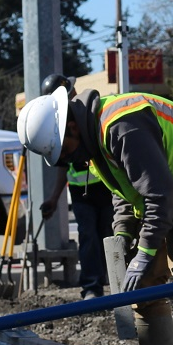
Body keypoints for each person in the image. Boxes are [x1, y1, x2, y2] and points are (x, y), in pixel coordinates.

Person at [17, 85, 173, 345]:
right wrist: (122, 233)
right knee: (143, 286)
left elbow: (159, 195)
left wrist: (145, 252)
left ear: (71, 127)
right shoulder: (93, 138)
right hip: (169, 187)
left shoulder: (122, 125)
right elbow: (125, 188)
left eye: (67, 151)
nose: (70, 160)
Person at [37, 75, 110, 300]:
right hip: (82, 194)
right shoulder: (60, 130)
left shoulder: (89, 117)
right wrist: (53, 198)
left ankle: (121, 284)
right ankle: (92, 287)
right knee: (88, 237)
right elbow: (62, 167)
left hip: (108, 188)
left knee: (112, 236)